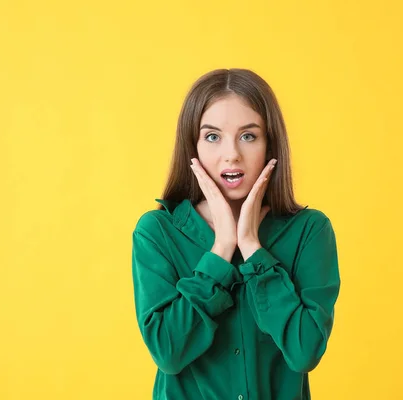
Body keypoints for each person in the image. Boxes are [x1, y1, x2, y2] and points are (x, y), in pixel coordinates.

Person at [131, 68, 341, 400]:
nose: (232, 154)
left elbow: (305, 352)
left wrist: (253, 249)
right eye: (213, 136)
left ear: (270, 143)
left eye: (248, 136)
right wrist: (222, 249)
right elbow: (168, 353)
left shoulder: (309, 231)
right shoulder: (157, 233)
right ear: (193, 145)